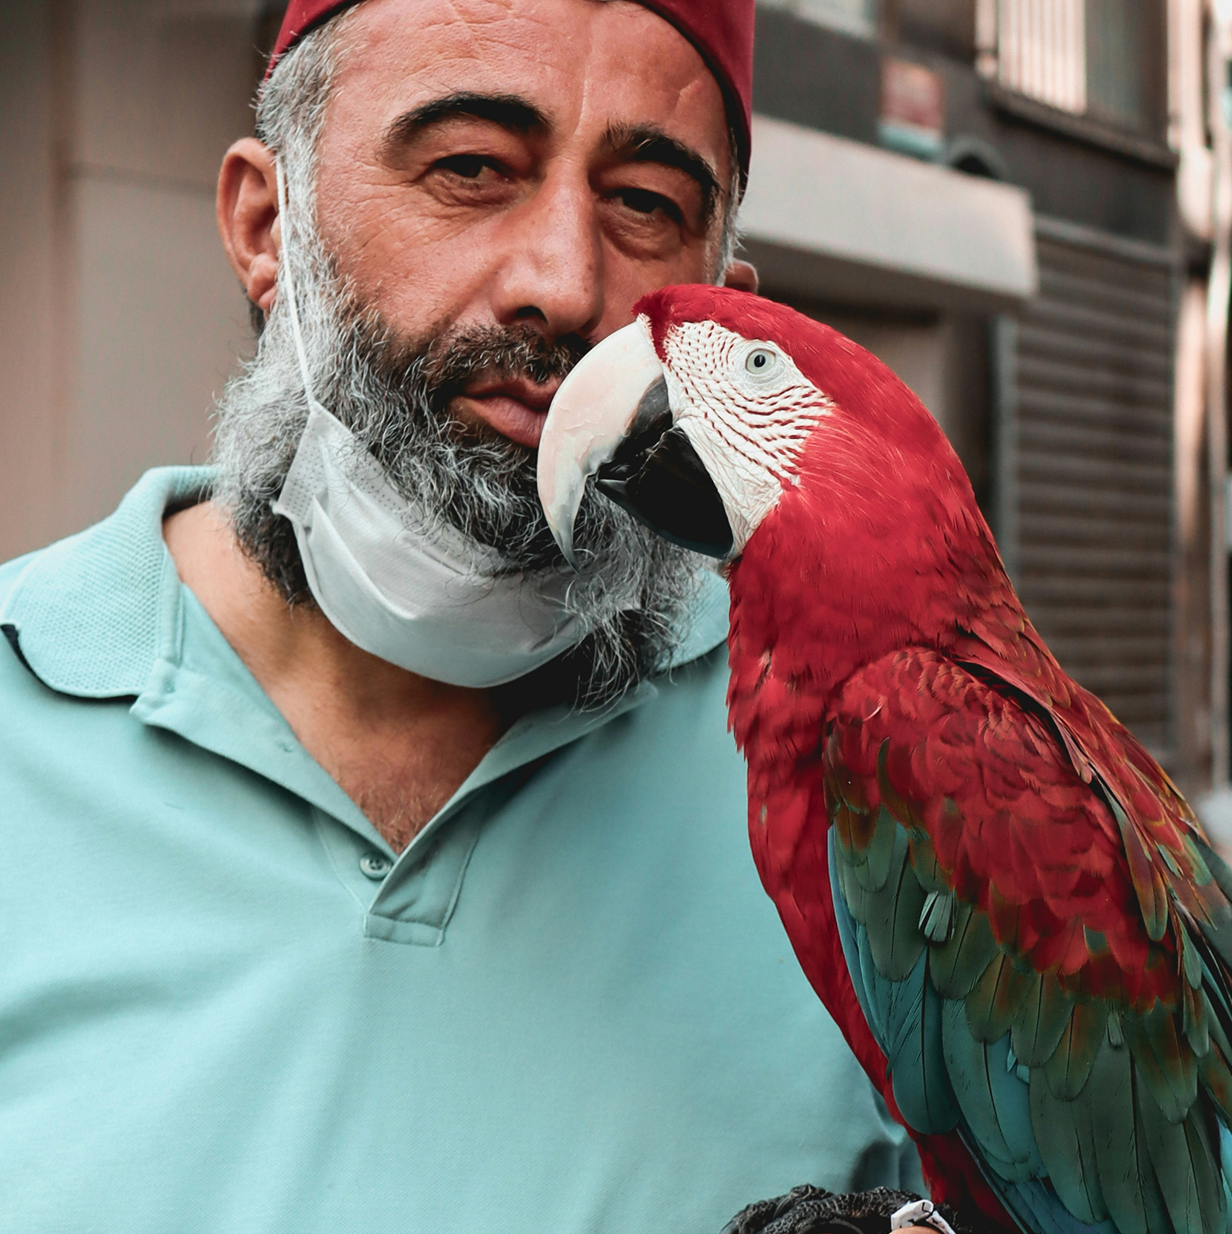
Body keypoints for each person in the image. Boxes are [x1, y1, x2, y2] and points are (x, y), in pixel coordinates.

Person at [0, 1, 926, 1230]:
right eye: (469, 170)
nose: (563, 282)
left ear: (723, 302)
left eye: (646, 201)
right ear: (266, 226)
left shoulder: (879, 783)